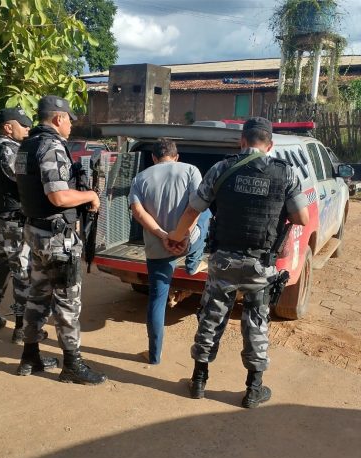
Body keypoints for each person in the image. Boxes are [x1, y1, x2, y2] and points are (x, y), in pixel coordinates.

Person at [167, 117, 310, 408]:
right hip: (261, 263)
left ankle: (198, 381)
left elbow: (194, 210)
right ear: (270, 145)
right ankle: (253, 390)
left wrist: (176, 237)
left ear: (242, 141)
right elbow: (302, 218)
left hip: (224, 260)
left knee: (211, 317)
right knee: (256, 321)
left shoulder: (221, 169)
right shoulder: (286, 173)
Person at [14, 94, 106, 384]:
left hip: (35, 232)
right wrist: (90, 196)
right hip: (56, 238)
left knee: (37, 296)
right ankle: (72, 365)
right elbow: (58, 196)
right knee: (67, 302)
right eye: (69, 121)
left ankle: (30, 356)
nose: (71, 126)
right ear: (58, 118)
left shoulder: (26, 145)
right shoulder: (51, 147)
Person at [128, 138, 211, 365]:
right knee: (207, 213)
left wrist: (163, 235)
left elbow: (138, 212)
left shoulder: (140, 178)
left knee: (157, 300)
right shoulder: (191, 170)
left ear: (154, 158)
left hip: (158, 247)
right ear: (176, 157)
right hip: (187, 241)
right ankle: (193, 262)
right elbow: (196, 207)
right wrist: (182, 235)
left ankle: (154, 355)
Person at [0, 107, 38, 344]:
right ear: (7, 127)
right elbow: (23, 182)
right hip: (14, 222)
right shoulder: (10, 150)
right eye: (23, 125)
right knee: (22, 273)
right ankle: (21, 328)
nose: (27, 129)